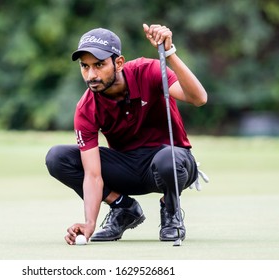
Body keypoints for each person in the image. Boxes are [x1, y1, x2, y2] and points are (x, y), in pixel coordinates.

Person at [45, 23, 208, 245]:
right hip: (127, 169)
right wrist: (89, 223)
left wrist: (169, 54)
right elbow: (93, 175)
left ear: (119, 63)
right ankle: (123, 207)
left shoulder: (148, 71)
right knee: (57, 158)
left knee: (167, 160)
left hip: (172, 163)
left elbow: (198, 98)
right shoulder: (86, 107)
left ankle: (170, 209)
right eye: (85, 66)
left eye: (99, 65)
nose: (91, 75)